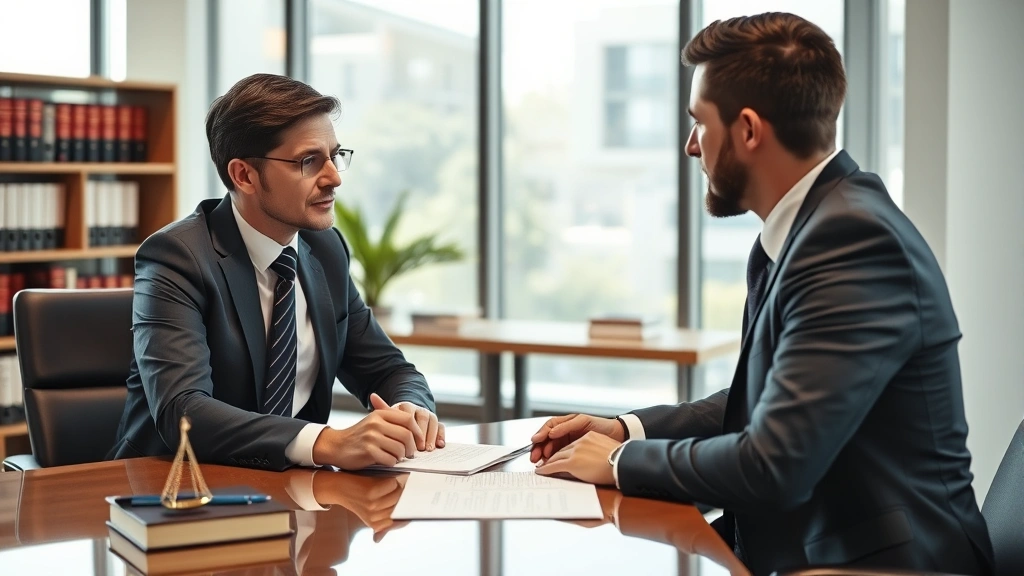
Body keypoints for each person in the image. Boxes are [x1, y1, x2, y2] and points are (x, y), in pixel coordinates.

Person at [530, 12, 993, 575]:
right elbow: (766, 402)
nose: (690, 146)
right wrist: (626, 429)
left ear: (748, 130)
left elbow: (775, 463)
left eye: (700, 123)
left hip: (880, 564)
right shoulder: (805, 231)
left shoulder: (855, 241)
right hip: (805, 547)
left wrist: (623, 461)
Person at [108, 73, 445, 471]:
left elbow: (388, 369)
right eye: (308, 161)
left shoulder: (326, 250)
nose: (334, 177)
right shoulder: (176, 257)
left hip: (293, 492)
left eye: (335, 156)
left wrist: (411, 412)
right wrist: (327, 442)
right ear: (244, 175)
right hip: (177, 489)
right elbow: (184, 410)